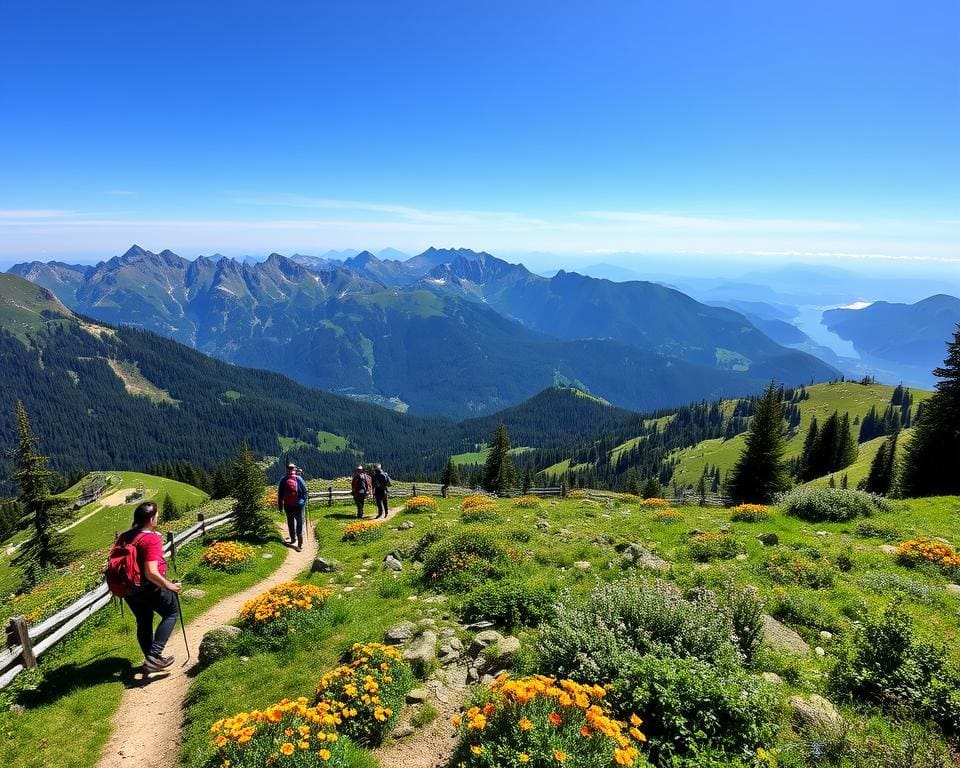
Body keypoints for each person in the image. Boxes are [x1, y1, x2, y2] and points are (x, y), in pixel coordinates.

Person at [121, 500, 181, 672]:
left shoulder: (125, 536)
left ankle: (151, 660)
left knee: (144, 621)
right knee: (171, 613)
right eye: (157, 517)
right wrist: (170, 586)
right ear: (151, 519)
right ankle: (154, 656)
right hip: (150, 588)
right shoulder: (151, 539)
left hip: (130, 590)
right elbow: (150, 572)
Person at [277, 463, 307, 551]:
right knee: (299, 522)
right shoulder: (299, 478)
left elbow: (280, 494)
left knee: (290, 521)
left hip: (287, 504)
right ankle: (300, 542)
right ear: (294, 469)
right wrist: (301, 502)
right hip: (298, 505)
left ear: (287, 469)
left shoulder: (283, 479)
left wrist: (280, 506)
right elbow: (305, 492)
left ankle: (293, 538)